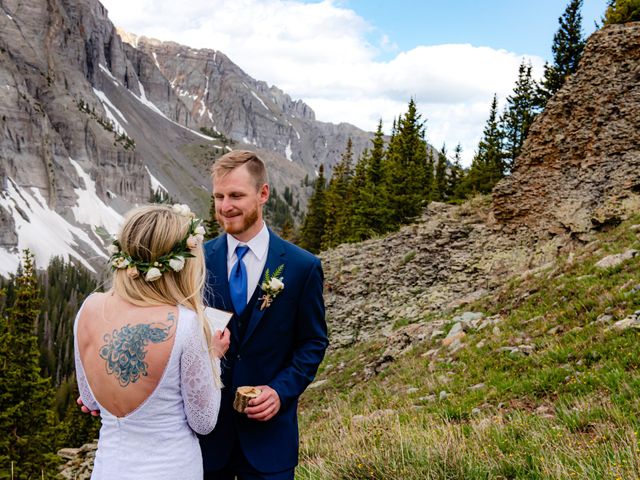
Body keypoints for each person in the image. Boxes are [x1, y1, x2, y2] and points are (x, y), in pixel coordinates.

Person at [74, 204, 231, 479]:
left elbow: (90, 399)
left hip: (109, 468)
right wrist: (213, 356)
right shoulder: (185, 323)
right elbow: (204, 421)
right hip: (171, 468)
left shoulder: (89, 307)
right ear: (182, 264)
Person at [200, 150, 328, 479]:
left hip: (270, 443)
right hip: (205, 441)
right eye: (219, 196)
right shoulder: (196, 261)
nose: (225, 206)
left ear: (263, 194)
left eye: (236, 195)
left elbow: (313, 342)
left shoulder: (302, 267)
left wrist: (279, 391)